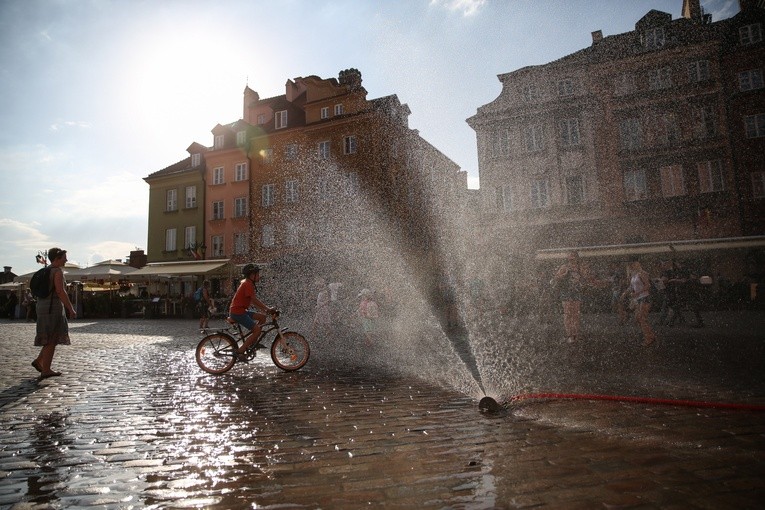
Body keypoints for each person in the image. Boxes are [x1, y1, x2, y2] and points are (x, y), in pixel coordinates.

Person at [32, 247, 76, 379]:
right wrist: (70, 308)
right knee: (51, 339)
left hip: (42, 307)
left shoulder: (46, 270)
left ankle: (39, 361)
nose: (66, 260)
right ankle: (46, 370)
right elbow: (60, 291)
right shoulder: (57, 272)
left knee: (50, 337)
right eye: (64, 258)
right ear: (57, 258)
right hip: (52, 308)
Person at [552, 251, 602, 343]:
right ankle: (569, 335)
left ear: (576, 258)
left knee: (575, 314)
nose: (572, 258)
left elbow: (587, 277)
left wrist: (589, 275)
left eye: (573, 256)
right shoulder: (564, 267)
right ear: (568, 258)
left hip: (576, 292)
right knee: (567, 314)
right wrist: (563, 274)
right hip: (566, 292)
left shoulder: (580, 268)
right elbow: (556, 278)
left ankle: (575, 334)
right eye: (570, 256)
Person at [229, 264, 275, 360]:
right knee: (257, 330)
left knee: (262, 318)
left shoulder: (247, 283)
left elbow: (253, 302)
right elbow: (254, 300)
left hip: (241, 310)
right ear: (251, 275)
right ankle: (241, 350)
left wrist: (264, 311)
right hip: (238, 312)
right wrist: (267, 309)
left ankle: (253, 342)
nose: (259, 276)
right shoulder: (247, 284)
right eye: (257, 274)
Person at [626, 257, 656, 346]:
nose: (633, 266)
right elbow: (632, 287)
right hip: (638, 298)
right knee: (639, 318)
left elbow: (648, 286)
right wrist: (631, 293)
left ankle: (649, 338)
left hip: (645, 297)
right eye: (632, 264)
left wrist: (637, 293)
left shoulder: (642, 274)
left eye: (635, 264)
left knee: (642, 318)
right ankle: (650, 335)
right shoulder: (634, 275)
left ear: (639, 264)